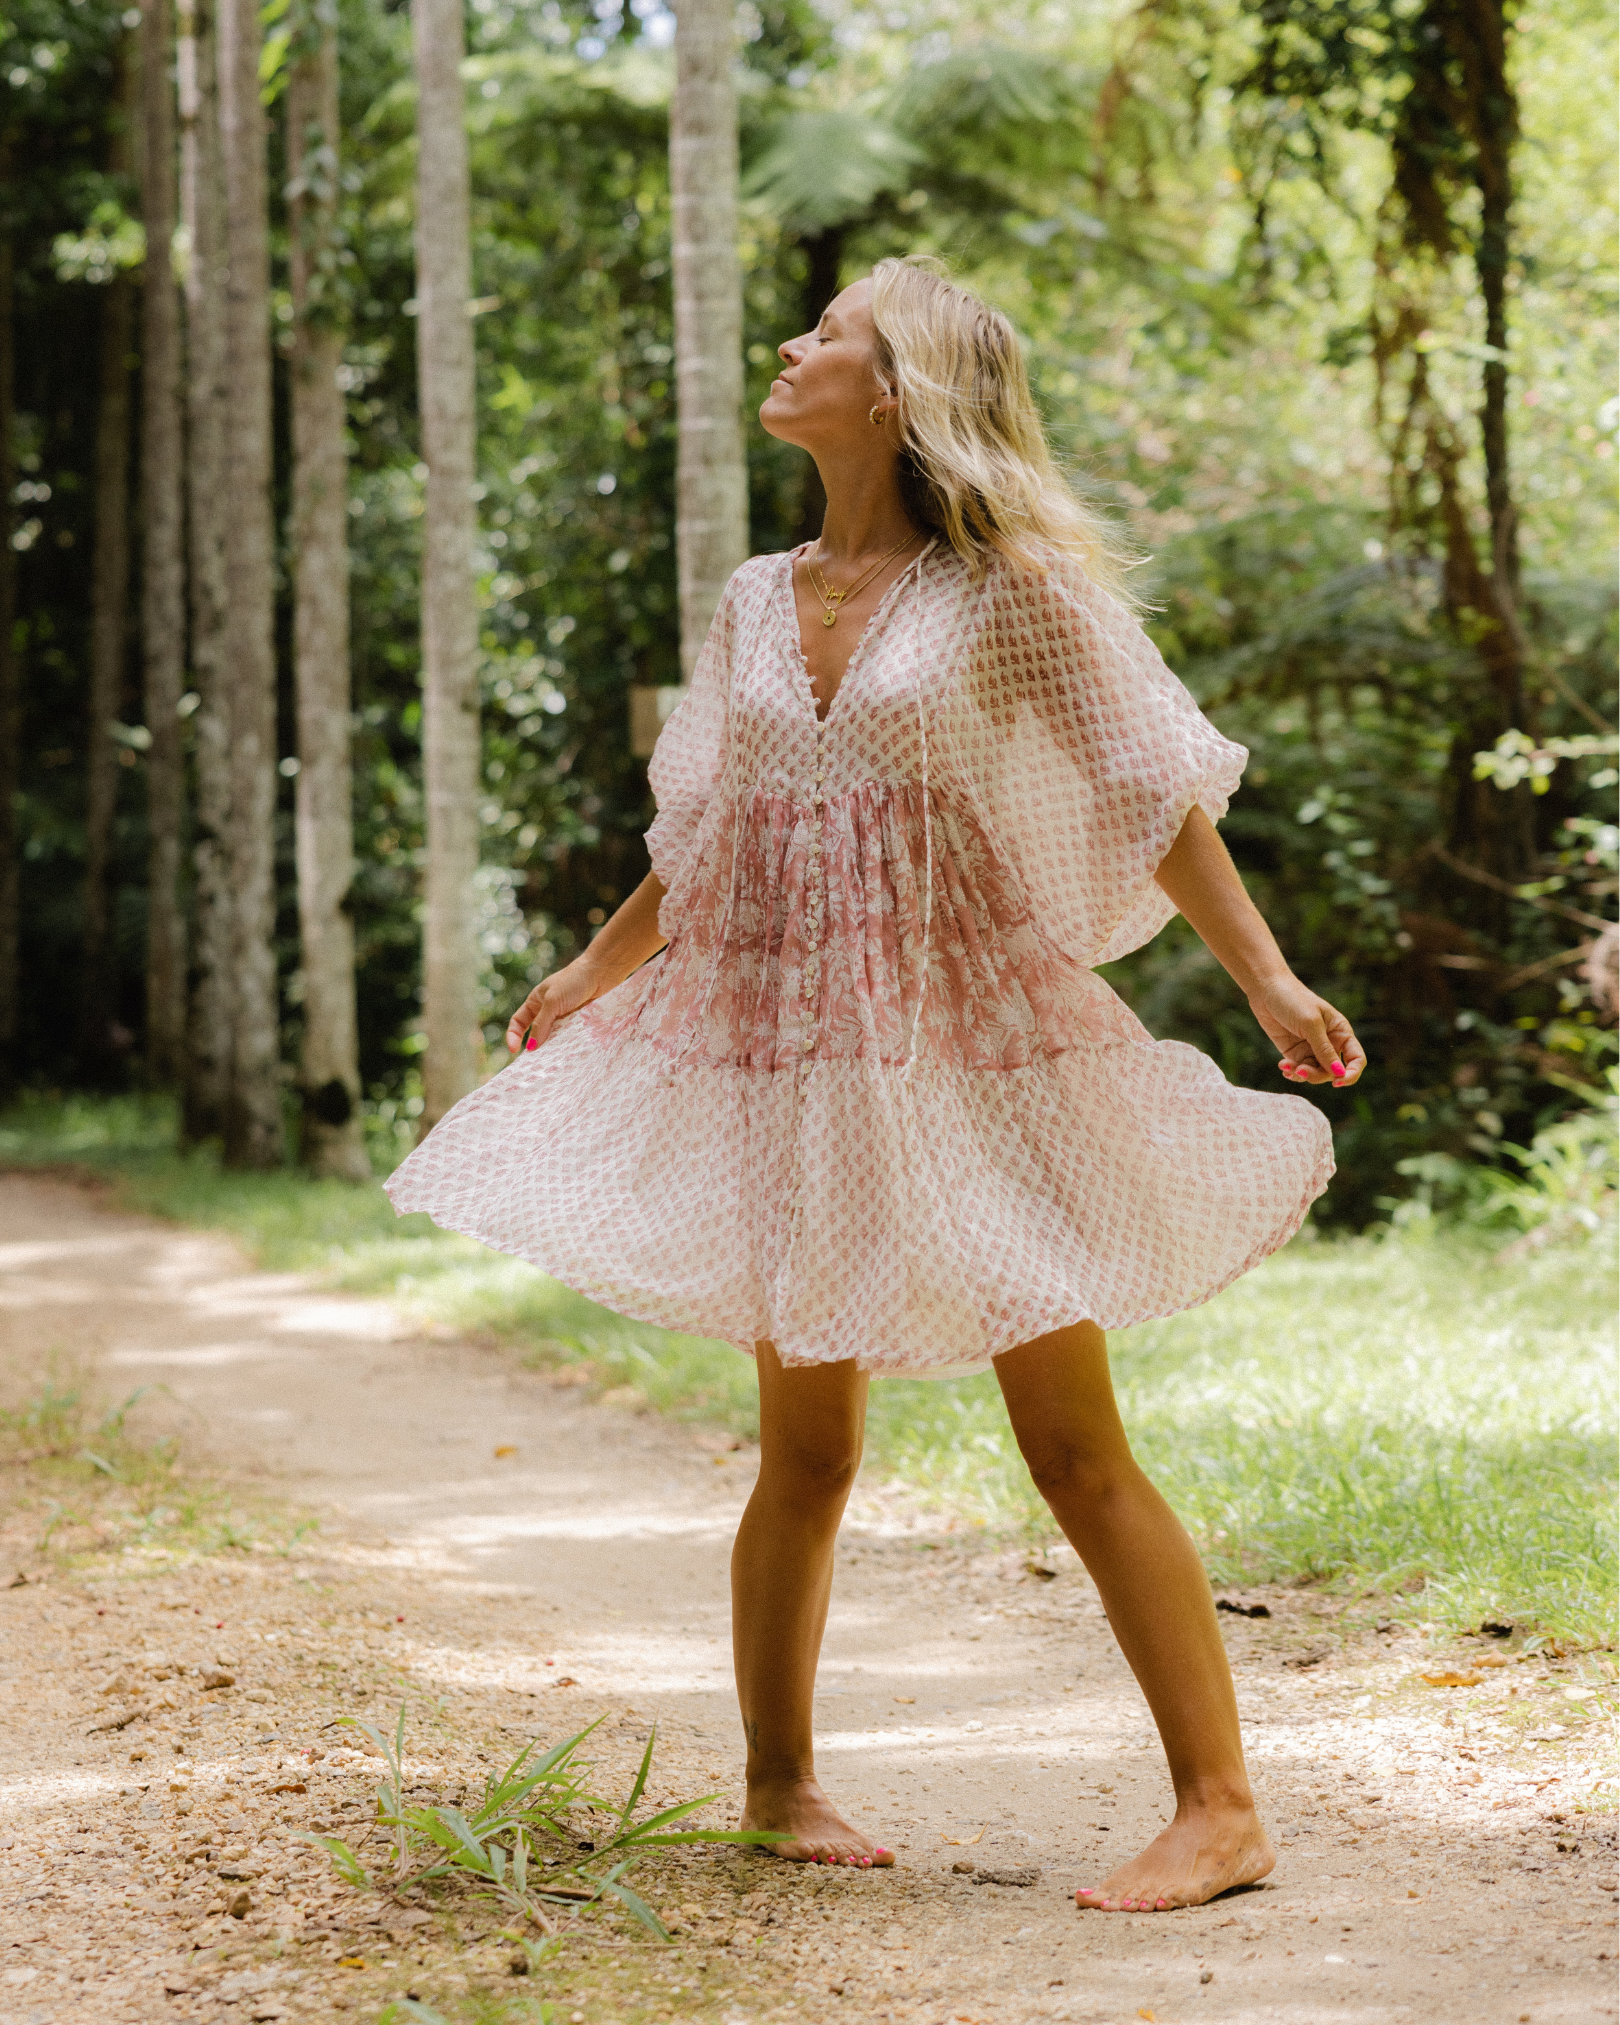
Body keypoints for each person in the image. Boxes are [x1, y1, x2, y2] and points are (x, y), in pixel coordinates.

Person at [386, 257, 1366, 1914]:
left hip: (961, 1045)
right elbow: (708, 833)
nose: (792, 342)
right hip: (791, 1055)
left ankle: (1223, 1806)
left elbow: (1154, 794)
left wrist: (1267, 976)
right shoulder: (756, 598)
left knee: (1070, 1444)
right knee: (808, 1455)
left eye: (827, 331)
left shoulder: (1007, 589)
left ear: (898, 388)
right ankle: (778, 1785)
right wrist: (591, 970)